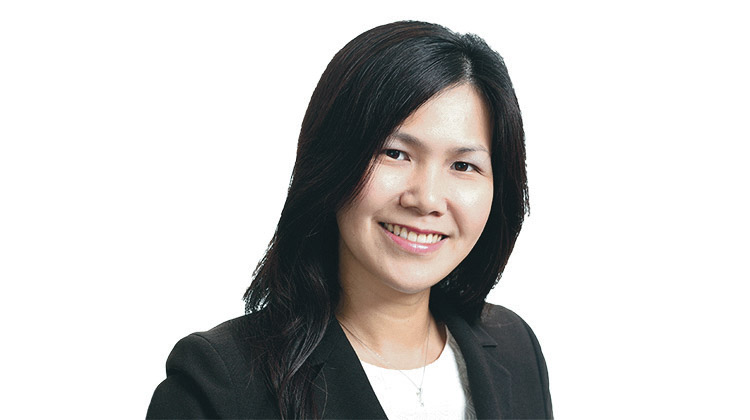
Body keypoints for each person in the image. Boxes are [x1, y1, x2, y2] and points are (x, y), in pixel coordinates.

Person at [147, 20, 552, 419]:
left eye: (463, 165)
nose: (426, 199)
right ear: (332, 163)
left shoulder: (514, 348)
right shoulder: (218, 384)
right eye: (395, 153)